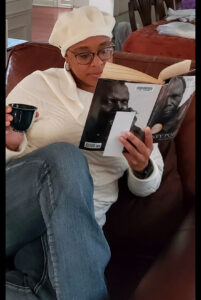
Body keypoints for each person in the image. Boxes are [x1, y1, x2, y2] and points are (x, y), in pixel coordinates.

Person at [5, 6, 164, 300]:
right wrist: (12, 144)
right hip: (18, 206)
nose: (98, 63)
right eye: (84, 54)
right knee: (65, 157)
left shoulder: (133, 95)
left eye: (105, 50)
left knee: (46, 288)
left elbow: (148, 184)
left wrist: (142, 167)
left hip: (75, 227)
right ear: (66, 56)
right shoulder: (39, 84)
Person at [80, 79, 144, 150]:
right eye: (112, 101)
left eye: (124, 102)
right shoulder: (84, 126)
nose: (119, 107)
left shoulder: (135, 131)